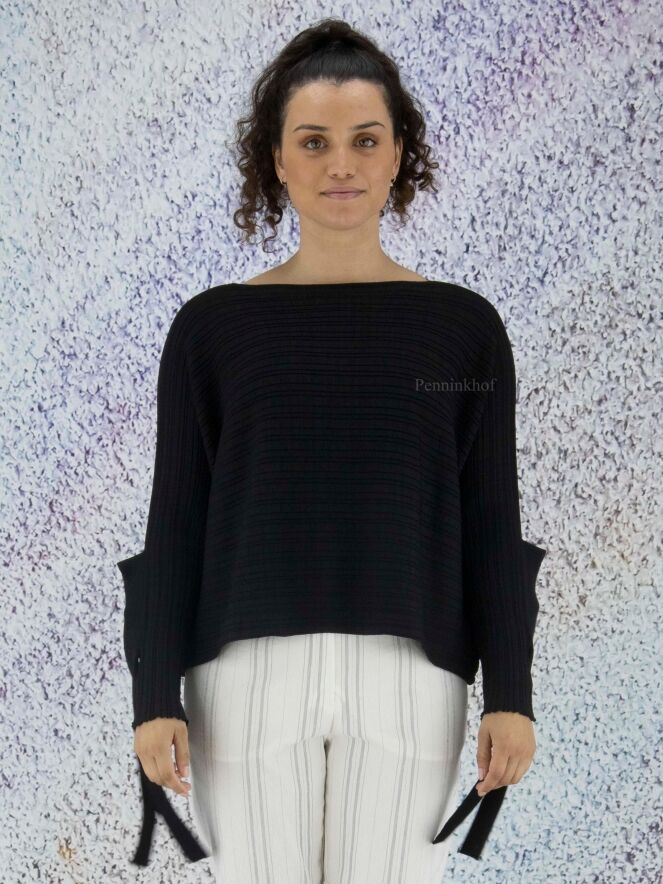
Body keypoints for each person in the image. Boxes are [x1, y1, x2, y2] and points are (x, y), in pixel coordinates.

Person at [116, 17, 547, 882]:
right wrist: (153, 695)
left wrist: (511, 695)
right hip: (242, 675)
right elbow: (177, 521)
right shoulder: (213, 330)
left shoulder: (460, 330)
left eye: (364, 140)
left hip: (410, 674)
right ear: (277, 159)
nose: (340, 165)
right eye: (313, 142)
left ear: (397, 156)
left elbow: (489, 519)